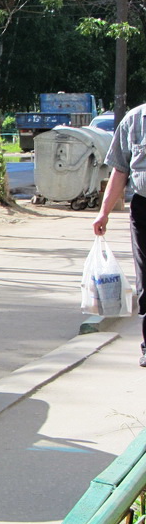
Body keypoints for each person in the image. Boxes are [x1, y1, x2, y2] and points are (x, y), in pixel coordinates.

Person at [93, 103, 146, 366]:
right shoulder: (135, 120)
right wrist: (104, 213)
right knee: (145, 276)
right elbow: (120, 171)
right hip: (144, 208)